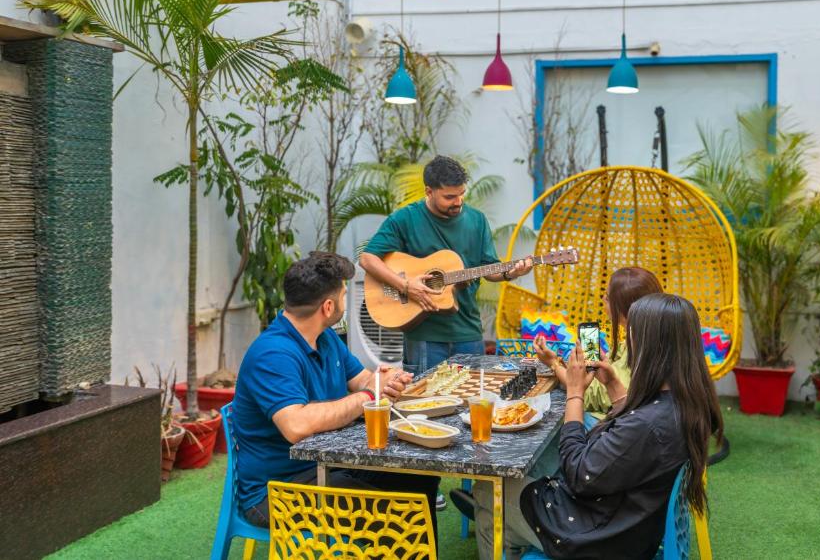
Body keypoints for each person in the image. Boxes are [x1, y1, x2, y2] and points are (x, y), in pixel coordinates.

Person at [480, 293, 724, 560]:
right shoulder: (690, 402)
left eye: (633, 334)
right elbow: (640, 431)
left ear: (651, 346)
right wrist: (613, 385)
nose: (629, 341)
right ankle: (515, 540)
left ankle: (511, 542)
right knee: (533, 473)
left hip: (601, 538)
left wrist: (575, 392)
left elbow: (578, 474)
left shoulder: (648, 425)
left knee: (488, 487)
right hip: (635, 525)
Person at [232, 251, 440, 531]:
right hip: (278, 490)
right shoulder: (273, 354)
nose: (346, 302)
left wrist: (386, 381)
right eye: (344, 295)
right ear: (328, 307)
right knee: (396, 510)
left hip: (328, 464)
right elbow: (296, 425)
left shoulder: (325, 336)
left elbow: (363, 379)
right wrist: (369, 396)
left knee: (418, 477)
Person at [359, 155, 532, 375]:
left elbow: (490, 268)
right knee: (422, 402)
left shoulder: (477, 220)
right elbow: (368, 259)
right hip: (424, 337)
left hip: (468, 332)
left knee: (470, 401)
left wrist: (511, 274)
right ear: (429, 192)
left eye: (461, 194)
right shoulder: (405, 219)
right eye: (449, 197)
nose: (458, 202)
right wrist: (405, 285)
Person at [534, 266, 662, 419]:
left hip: (610, 424)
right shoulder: (642, 335)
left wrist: (553, 363)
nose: (602, 299)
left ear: (623, 307)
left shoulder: (638, 346)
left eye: (607, 297)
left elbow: (586, 395)